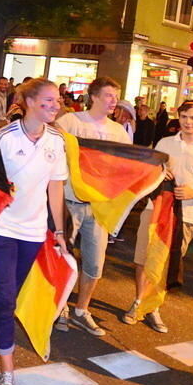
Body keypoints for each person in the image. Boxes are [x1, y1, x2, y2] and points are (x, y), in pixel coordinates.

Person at [0, 78, 69, 385]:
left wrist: (59, 231)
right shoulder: (3, 136)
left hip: (33, 233)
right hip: (1, 229)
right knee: (6, 299)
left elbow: (55, 187)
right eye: (48, 100)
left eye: (57, 101)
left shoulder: (57, 141)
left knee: (6, 299)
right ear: (29, 102)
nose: (55, 106)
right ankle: (8, 368)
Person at [123, 100, 193, 333]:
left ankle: (152, 308)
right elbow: (149, 174)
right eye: (184, 117)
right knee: (143, 259)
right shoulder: (165, 143)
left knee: (167, 264)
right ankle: (139, 302)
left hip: (186, 216)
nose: (188, 122)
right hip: (155, 210)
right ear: (179, 118)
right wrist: (159, 173)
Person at [52, 77, 130, 336]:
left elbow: (127, 166)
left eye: (115, 96)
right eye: (108, 95)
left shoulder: (118, 132)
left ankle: (81, 310)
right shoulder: (70, 123)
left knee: (95, 264)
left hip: (99, 208)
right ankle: (59, 306)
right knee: (63, 258)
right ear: (93, 96)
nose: (113, 101)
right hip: (69, 202)